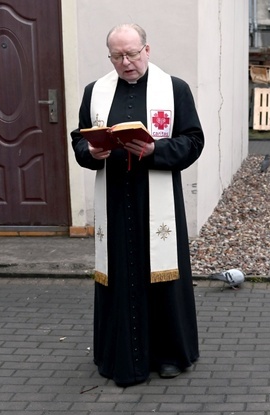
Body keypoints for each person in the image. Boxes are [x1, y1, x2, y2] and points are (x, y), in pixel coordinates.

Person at [71, 23, 204, 387]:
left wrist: (154, 150)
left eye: (132, 53)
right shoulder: (95, 92)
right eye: (118, 56)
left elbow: (193, 141)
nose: (126, 62)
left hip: (156, 200)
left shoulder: (174, 89)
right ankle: (120, 356)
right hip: (115, 200)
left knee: (161, 275)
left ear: (148, 49)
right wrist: (91, 151)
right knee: (120, 275)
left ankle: (169, 356)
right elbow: (79, 140)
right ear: (110, 56)